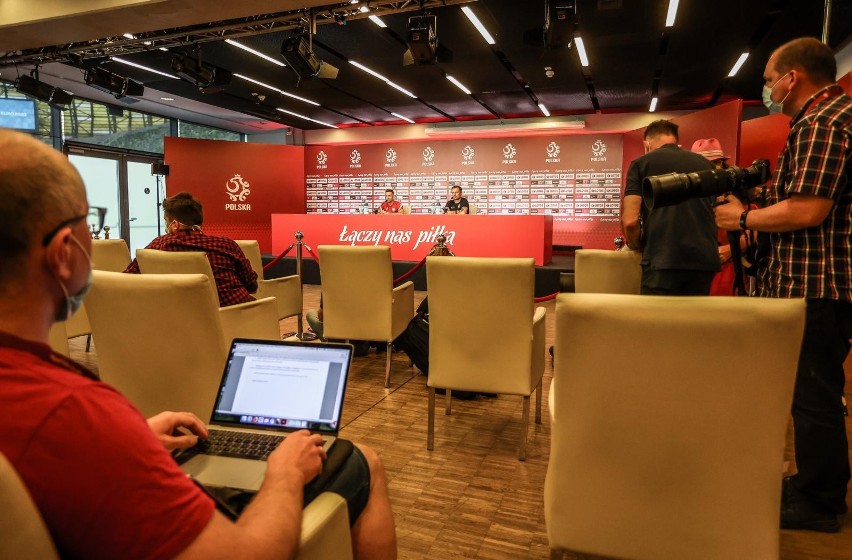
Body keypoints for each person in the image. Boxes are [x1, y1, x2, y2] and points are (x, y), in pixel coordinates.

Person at [0, 129, 398, 559]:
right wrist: (283, 473)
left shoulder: (51, 404)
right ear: (63, 252)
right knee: (365, 462)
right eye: (87, 225)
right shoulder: (75, 410)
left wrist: (132, 441)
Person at [715, 37, 852, 533]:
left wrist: (745, 216)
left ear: (792, 77)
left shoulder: (821, 122)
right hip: (816, 280)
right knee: (814, 393)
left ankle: (818, 501)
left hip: (816, 281)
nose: (768, 90)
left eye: (769, 79)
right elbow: (793, 193)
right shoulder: (830, 118)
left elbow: (808, 208)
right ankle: (819, 487)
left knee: (813, 396)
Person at [621, 119, 720, 295]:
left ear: (647, 144)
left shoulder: (641, 164)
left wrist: (637, 245)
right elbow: (717, 211)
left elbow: (630, 221)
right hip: (704, 261)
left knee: (657, 321)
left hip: (662, 259)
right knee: (692, 320)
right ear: (676, 141)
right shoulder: (706, 164)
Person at [123, 192, 258, 307]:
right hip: (239, 316)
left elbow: (128, 278)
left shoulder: (159, 245)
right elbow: (252, 285)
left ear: (174, 224)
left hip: (181, 318)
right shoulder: (227, 245)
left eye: (166, 221)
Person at [690, 138, 754, 295]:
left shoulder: (739, 191)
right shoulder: (686, 194)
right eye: (705, 163)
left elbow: (757, 227)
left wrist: (731, 249)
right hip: (696, 271)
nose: (712, 168)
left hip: (730, 271)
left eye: (716, 162)